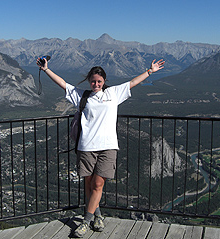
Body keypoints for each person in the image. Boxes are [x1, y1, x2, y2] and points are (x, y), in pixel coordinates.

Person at [37, 57, 165, 237]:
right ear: (89, 81)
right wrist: (46, 70)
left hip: (108, 147)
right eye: (93, 81)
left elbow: (133, 82)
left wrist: (150, 71)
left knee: (98, 183)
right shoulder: (82, 96)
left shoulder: (113, 93)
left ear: (104, 81)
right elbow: (63, 84)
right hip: (86, 146)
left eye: (99, 81)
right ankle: (98, 216)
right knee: (89, 185)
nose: (96, 84)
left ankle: (85, 221)